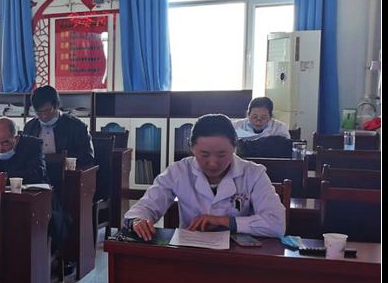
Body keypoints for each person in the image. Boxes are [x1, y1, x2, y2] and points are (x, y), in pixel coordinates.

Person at [124, 114, 286, 240]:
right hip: (191, 252)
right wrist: (137, 220)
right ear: (192, 148)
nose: (213, 163)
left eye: (221, 154)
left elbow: (276, 223)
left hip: (239, 257)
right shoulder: (178, 171)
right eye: (204, 154)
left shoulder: (254, 174)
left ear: (235, 147)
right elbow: (147, 206)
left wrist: (224, 221)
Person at [23, 85, 95, 168]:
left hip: (65, 172)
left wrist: (62, 159)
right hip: (37, 173)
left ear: (57, 105)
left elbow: (87, 157)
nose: (43, 116)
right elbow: (23, 156)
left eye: (47, 111)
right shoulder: (30, 127)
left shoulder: (77, 126)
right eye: (38, 112)